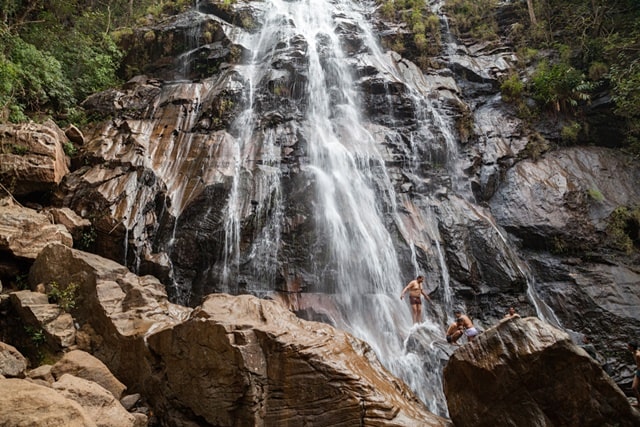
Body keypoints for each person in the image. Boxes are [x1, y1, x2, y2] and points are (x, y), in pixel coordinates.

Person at [628, 342, 640, 407]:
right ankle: (639, 403)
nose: (627, 347)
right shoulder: (633, 353)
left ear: (632, 347)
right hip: (638, 372)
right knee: (634, 388)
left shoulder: (638, 355)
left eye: (628, 346)